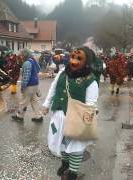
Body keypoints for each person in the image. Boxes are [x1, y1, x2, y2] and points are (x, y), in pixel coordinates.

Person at [43, 46, 99, 180]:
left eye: (79, 58)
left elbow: (91, 102)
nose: (74, 60)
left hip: (76, 119)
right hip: (58, 115)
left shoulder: (90, 79)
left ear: (86, 62)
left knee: (75, 145)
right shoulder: (63, 72)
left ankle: (72, 172)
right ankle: (65, 163)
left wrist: (87, 120)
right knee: (61, 142)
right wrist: (46, 104)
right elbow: (53, 88)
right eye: (73, 57)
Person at [12, 49, 44, 122]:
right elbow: (38, 69)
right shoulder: (32, 60)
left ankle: (19, 116)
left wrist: (23, 87)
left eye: (21, 55)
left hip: (29, 86)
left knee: (24, 101)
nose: (21, 57)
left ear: (25, 55)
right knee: (34, 101)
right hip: (35, 84)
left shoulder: (26, 63)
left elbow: (26, 76)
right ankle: (38, 116)